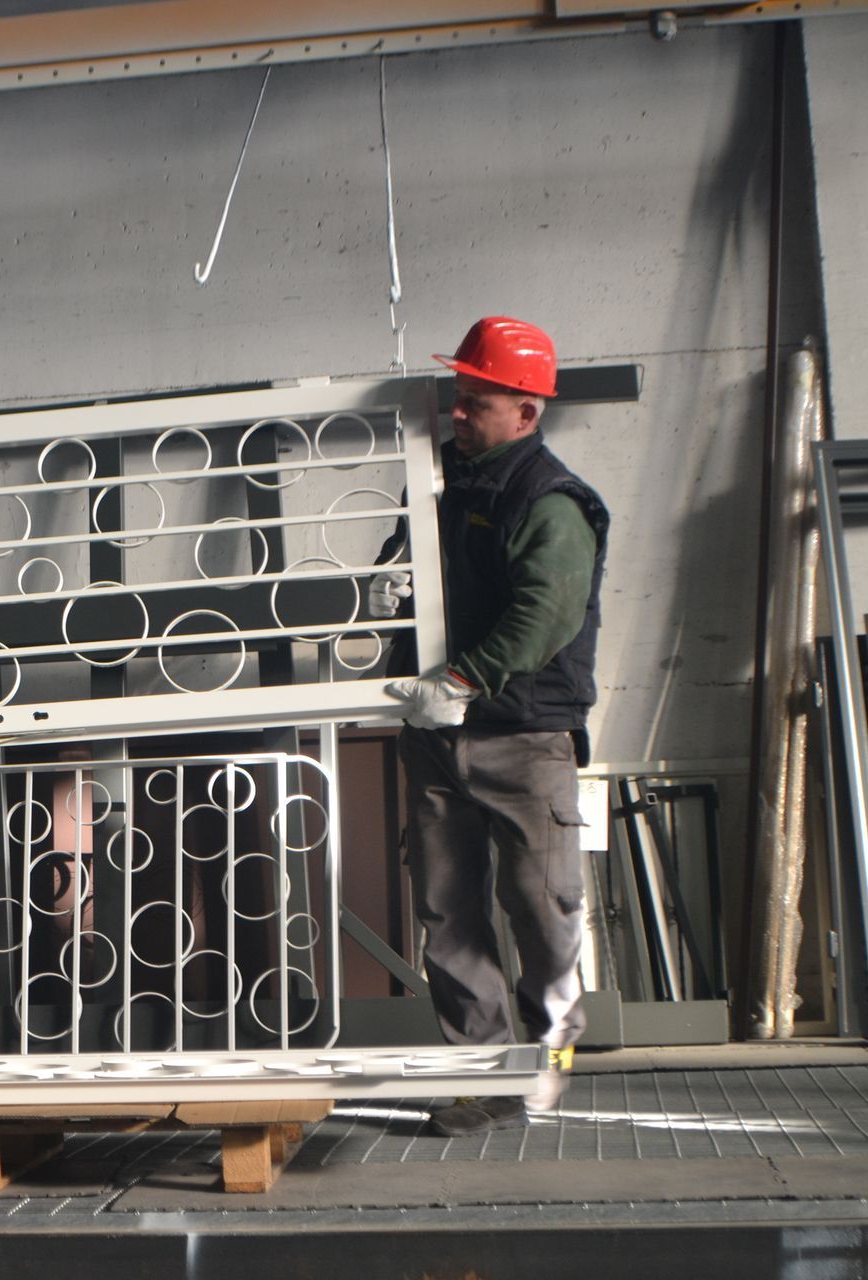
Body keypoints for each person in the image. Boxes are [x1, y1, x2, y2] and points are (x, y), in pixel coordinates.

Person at [371, 316, 608, 1137]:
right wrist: (387, 592)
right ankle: (482, 1076)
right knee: (447, 910)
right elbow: (412, 575)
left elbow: (547, 611)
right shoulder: (441, 482)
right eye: (459, 398)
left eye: (477, 402)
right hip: (439, 738)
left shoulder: (549, 502)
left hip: (521, 734)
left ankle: (550, 1061)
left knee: (541, 906)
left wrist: (464, 679)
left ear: (527, 413)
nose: (458, 414)